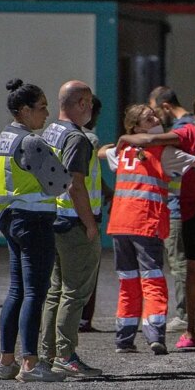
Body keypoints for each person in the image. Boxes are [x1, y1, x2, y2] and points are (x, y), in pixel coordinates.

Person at [118, 92, 195, 351]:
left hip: (192, 210)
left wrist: (125, 137)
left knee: (193, 271)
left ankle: (190, 331)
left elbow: (150, 139)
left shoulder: (187, 134)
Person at [102, 104, 195, 355]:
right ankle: (155, 334)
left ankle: (124, 339)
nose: (156, 118)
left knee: (128, 281)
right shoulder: (164, 151)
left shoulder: (123, 151)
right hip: (145, 223)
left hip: (119, 225)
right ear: (136, 127)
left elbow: (102, 153)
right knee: (153, 281)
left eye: (155, 115)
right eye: (149, 119)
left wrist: (120, 141)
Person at [0, 79, 71, 382]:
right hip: (34, 221)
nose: (47, 113)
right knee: (35, 292)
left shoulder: (4, 138)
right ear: (24, 110)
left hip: (11, 219)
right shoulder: (31, 142)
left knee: (17, 291)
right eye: (41, 107)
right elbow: (61, 181)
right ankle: (30, 363)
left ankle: (6, 361)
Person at [39, 81, 103, 378]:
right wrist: (90, 223)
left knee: (55, 291)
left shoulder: (51, 131)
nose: (91, 107)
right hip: (74, 222)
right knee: (75, 293)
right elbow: (76, 184)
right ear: (79, 103)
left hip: (53, 219)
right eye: (88, 102)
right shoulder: (77, 138)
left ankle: (48, 353)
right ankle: (65, 355)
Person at [149, 86, 195, 334]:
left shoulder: (179, 132)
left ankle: (186, 316)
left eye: (154, 111)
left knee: (180, 262)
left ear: (164, 107)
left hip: (178, 205)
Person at [79, 95, 114, 333]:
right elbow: (86, 174)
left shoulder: (56, 134)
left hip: (63, 209)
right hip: (89, 209)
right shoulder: (90, 139)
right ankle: (84, 318)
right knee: (90, 267)